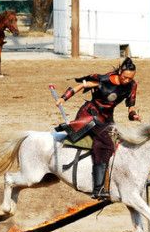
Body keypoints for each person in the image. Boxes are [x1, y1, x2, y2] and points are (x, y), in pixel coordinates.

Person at [55, 57, 141, 199]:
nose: (127, 80)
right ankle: (98, 189)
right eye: (125, 77)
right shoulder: (103, 80)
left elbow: (130, 106)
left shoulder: (132, 85)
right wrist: (63, 98)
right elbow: (81, 86)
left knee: (119, 143)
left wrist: (134, 115)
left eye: (130, 78)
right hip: (90, 116)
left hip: (107, 119)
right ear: (120, 72)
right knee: (105, 144)